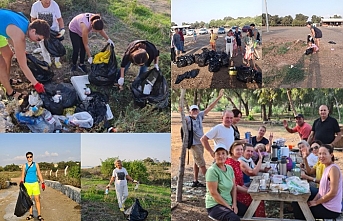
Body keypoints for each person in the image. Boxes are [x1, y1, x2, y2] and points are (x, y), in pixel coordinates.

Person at [0, 9, 49, 99]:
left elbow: (10, 34)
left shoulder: (26, 22)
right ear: (33, 31)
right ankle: (10, 93)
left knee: (8, 54)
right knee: (1, 65)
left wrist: (20, 50)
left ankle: (5, 80)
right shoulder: (20, 35)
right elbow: (23, 66)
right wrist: (36, 84)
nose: (37, 42)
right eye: (38, 39)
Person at [185, 89, 224, 187]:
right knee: (201, 163)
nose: (195, 111)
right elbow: (182, 118)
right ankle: (211, 182)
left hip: (200, 143)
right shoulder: (187, 119)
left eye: (196, 110)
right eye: (193, 110)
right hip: (194, 144)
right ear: (190, 112)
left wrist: (218, 97)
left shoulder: (200, 116)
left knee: (196, 161)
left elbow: (210, 107)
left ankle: (195, 180)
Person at [293, 144, 342, 220]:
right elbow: (321, 191)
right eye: (320, 154)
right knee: (297, 201)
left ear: (331, 155)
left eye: (324, 154)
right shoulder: (326, 167)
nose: (321, 156)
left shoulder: (333, 169)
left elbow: (333, 192)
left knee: (301, 210)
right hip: (324, 203)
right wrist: (314, 201)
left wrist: (316, 202)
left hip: (330, 208)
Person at [225, 142, 266, 217]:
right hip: (233, 194)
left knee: (259, 197)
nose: (240, 151)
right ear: (231, 151)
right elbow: (234, 186)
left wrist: (248, 190)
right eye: (237, 150)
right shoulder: (229, 164)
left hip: (240, 190)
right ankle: (251, 218)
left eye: (241, 149)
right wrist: (249, 191)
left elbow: (240, 183)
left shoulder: (237, 162)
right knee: (257, 198)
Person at [205, 143, 243, 221]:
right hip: (215, 205)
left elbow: (234, 187)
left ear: (227, 155)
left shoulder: (229, 168)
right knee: (234, 219)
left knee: (248, 211)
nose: (221, 156)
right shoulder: (212, 170)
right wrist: (228, 207)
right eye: (218, 154)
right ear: (214, 156)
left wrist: (234, 204)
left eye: (223, 153)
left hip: (229, 202)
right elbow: (213, 193)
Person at [30, 0, 65, 68]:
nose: (47, 1)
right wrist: (37, 29)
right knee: (43, 47)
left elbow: (59, 19)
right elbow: (33, 19)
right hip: (41, 31)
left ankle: (57, 61)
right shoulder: (35, 6)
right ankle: (47, 61)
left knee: (56, 45)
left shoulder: (54, 5)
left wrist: (62, 29)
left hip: (53, 29)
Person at [21, 152, 45, 221]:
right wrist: (21, 182)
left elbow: (39, 174)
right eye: (28, 157)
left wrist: (42, 182)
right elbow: (23, 174)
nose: (29, 158)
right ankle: (30, 214)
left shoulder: (36, 164)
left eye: (30, 156)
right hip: (27, 184)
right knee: (29, 200)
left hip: (35, 184)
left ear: (32, 157)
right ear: (26, 158)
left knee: (37, 199)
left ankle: (39, 215)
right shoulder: (24, 166)